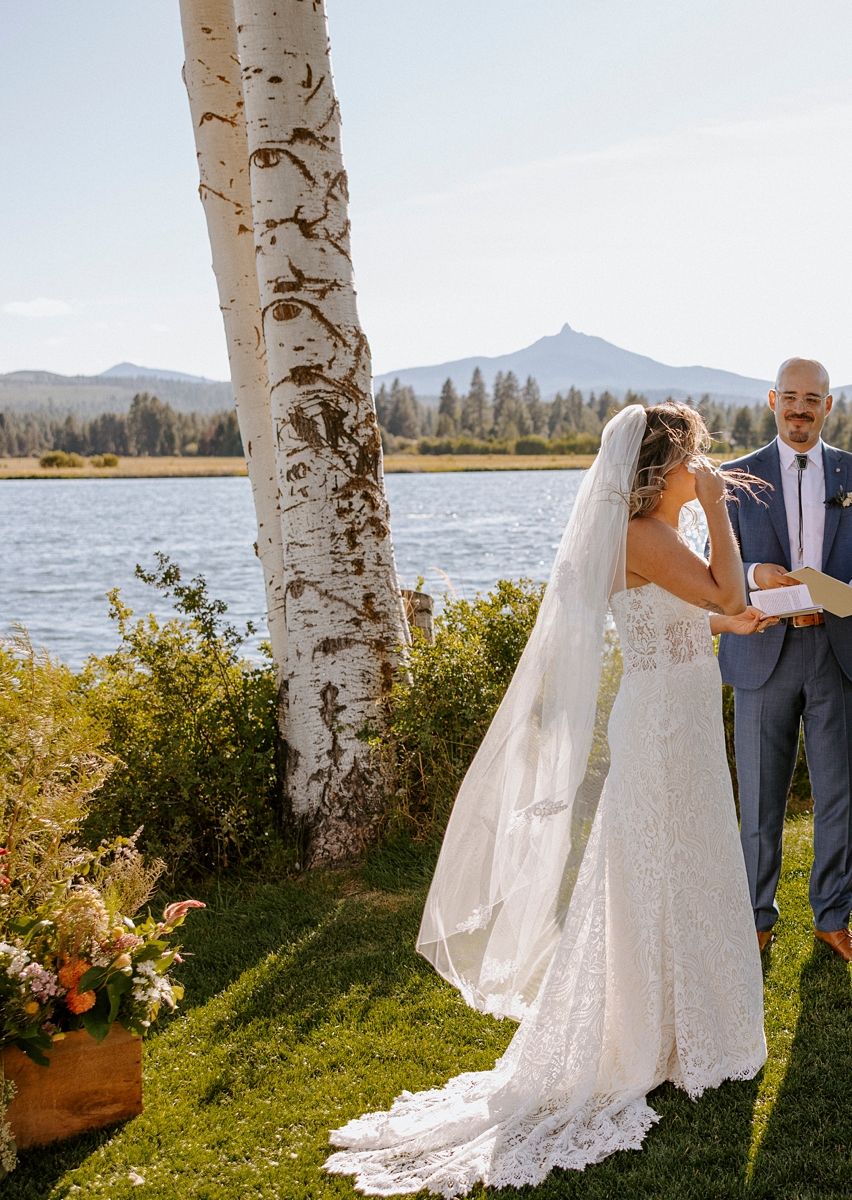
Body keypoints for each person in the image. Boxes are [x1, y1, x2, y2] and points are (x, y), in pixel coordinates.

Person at [326, 404, 773, 1194]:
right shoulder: (648, 534)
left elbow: (684, 618)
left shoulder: (646, 539)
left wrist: (715, 631)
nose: (703, 469)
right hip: (667, 724)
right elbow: (725, 592)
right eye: (693, 460)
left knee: (680, 864)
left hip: (675, 712)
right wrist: (718, 511)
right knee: (660, 866)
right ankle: (659, 1036)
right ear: (660, 469)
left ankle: (680, 1028)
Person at [720, 358, 852, 967]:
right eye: (789, 396)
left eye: (812, 398)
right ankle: (756, 919)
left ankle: (833, 918)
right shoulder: (736, 477)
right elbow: (714, 567)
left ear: (829, 406)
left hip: (840, 650)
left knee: (839, 795)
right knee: (760, 799)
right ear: (772, 400)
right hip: (764, 651)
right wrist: (753, 573)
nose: (800, 408)